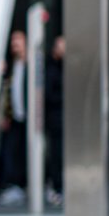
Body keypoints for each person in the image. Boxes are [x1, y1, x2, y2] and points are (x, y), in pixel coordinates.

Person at [0, 29, 30, 206]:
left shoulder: (32, 65)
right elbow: (7, 92)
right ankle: (13, 185)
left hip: (30, 118)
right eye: (13, 41)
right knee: (11, 152)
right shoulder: (11, 66)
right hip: (15, 116)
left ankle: (25, 185)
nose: (15, 45)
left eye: (18, 41)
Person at [45, 35, 64, 206]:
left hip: (66, 122)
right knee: (56, 155)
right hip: (56, 120)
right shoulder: (52, 69)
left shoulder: (67, 68)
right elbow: (49, 94)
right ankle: (57, 187)